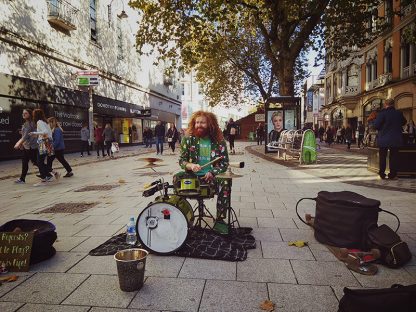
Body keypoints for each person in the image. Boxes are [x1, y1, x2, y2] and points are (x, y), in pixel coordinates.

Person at [179, 111, 230, 233]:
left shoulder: (219, 141)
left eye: (202, 122)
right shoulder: (188, 140)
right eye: (197, 122)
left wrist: (213, 172)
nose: (199, 125)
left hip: (212, 177)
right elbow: (182, 161)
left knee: (226, 182)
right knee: (176, 180)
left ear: (210, 124)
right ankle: (181, 215)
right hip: (192, 176)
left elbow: (224, 163)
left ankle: (220, 219)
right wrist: (190, 166)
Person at [373, 98, 406, 180]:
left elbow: (376, 125)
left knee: (383, 157)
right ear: (393, 104)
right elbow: (404, 122)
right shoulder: (399, 113)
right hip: (395, 138)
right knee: (394, 157)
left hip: (384, 138)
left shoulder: (382, 113)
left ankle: (382, 175)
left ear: (385, 104)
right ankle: (393, 175)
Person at [29, 108, 54, 184]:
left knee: (39, 161)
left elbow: (45, 132)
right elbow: (49, 133)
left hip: (43, 143)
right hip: (48, 142)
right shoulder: (45, 122)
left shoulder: (39, 122)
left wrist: (34, 133)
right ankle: (46, 175)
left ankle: (46, 176)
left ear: (35, 115)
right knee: (40, 161)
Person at [14, 109, 38, 184]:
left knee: (36, 162)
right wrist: (22, 144)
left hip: (30, 146)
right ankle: (22, 179)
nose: (23, 114)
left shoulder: (29, 123)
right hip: (26, 146)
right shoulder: (27, 123)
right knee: (25, 162)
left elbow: (25, 136)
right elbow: (25, 135)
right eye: (23, 113)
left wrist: (18, 144)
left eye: (26, 113)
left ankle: (50, 173)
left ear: (30, 114)